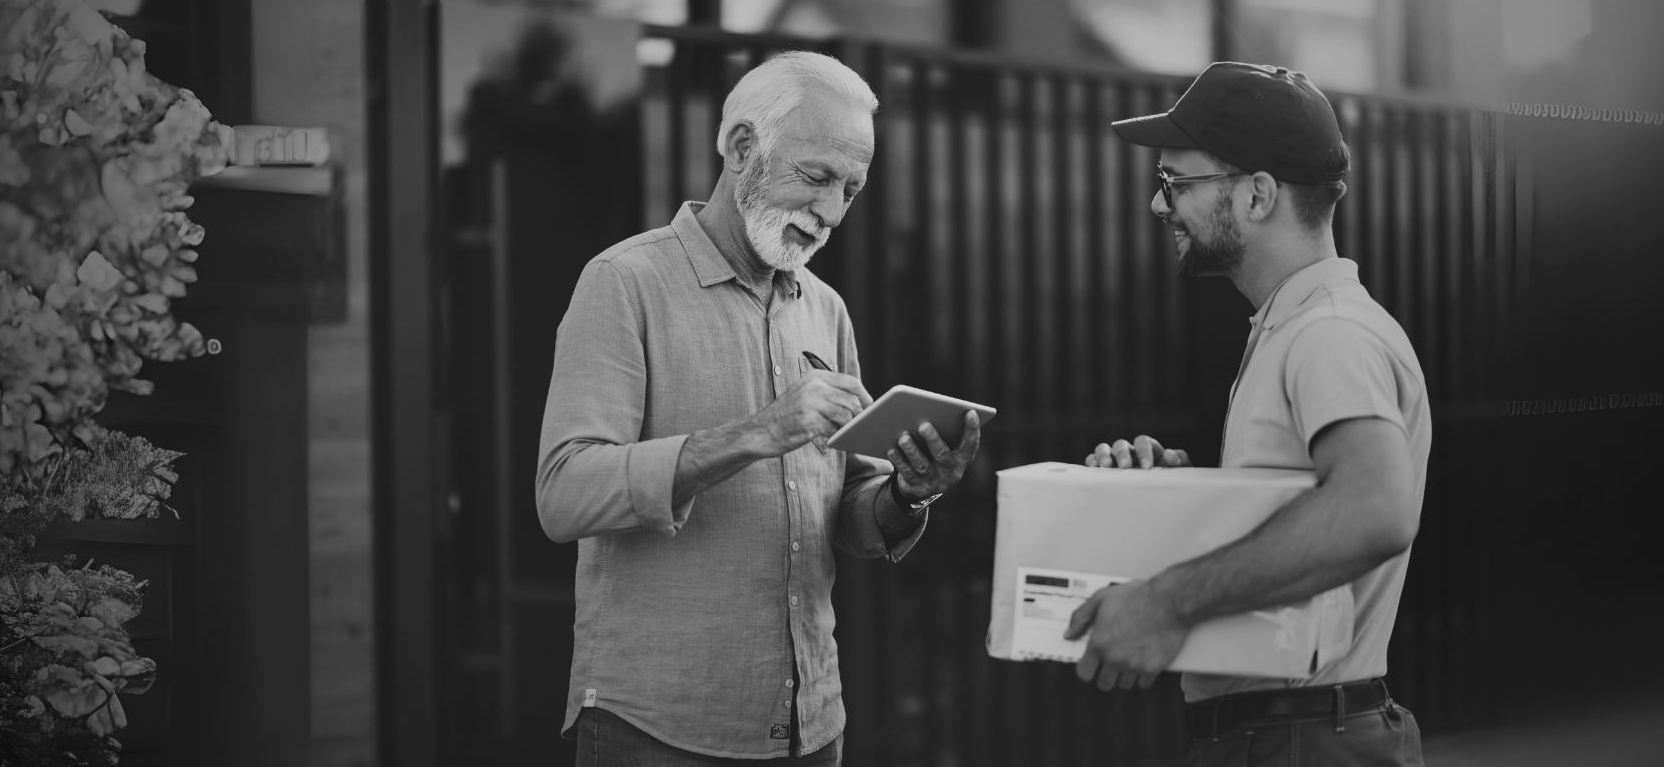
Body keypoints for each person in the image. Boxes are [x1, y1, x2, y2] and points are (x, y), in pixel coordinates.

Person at [535, 51, 982, 766]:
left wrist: (906, 491)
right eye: (816, 177)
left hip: (811, 727)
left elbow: (852, 520)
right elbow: (563, 495)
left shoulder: (827, 309)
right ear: (742, 148)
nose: (833, 211)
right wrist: (756, 433)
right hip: (656, 729)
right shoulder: (622, 283)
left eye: (851, 188)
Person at [1066, 62, 1430, 766]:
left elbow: (1375, 510)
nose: (1156, 204)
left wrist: (1164, 603)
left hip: (1298, 741)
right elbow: (1304, 512)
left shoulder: (1326, 333)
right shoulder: (1290, 327)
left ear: (1258, 195)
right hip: (1288, 735)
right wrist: (1180, 498)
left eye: (1176, 183)